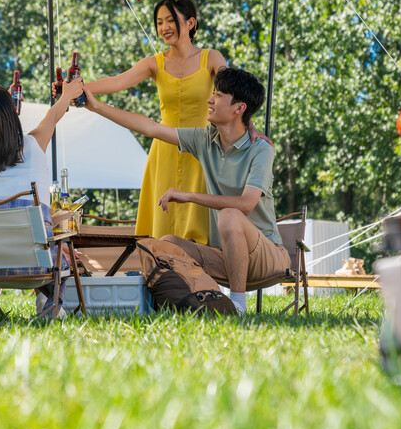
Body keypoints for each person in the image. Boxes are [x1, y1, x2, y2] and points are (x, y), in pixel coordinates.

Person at [83, 68, 286, 314]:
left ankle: (238, 306)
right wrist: (96, 107)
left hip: (267, 256)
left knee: (230, 215)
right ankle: (206, 300)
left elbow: (245, 205)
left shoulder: (260, 149)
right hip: (225, 257)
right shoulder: (205, 140)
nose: (210, 100)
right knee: (166, 245)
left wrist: (188, 196)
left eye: (218, 95)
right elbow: (150, 128)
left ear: (239, 108)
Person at [82, 0, 237, 244]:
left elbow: (234, 89)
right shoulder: (155, 63)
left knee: (199, 231)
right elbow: (117, 81)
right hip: (163, 152)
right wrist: (77, 87)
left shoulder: (212, 58)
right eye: (159, 22)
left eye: (170, 20)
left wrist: (249, 126)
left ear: (190, 23)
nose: (164, 27)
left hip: (203, 152)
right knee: (161, 231)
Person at [0, 77, 85, 319]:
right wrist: (67, 94)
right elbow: (54, 115)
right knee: (52, 242)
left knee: (3, 238)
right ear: (11, 121)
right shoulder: (34, 146)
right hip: (36, 267)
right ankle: (48, 302)